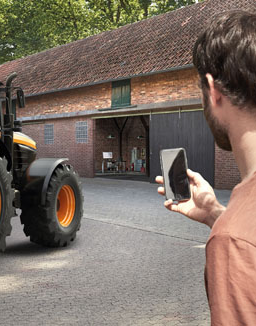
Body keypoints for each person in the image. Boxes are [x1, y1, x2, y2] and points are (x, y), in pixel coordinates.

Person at [156, 10, 256, 325]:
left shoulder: (233, 243)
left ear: (212, 90)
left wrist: (228, 228)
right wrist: (215, 213)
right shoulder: (237, 231)